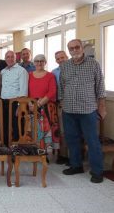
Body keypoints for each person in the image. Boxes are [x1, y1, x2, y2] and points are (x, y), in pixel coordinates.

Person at [60, 39, 106, 183]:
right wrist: (62, 102)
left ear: (82, 48)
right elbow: (62, 87)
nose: (74, 50)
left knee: (92, 141)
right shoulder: (65, 66)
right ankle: (76, 165)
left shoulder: (93, 64)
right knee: (72, 140)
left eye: (76, 47)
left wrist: (102, 107)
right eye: (71, 48)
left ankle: (97, 171)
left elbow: (100, 87)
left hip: (88, 110)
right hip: (68, 110)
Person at [28, 54, 58, 150]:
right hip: (32, 106)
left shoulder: (50, 76)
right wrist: (30, 104)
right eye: (37, 61)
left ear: (45, 63)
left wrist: (39, 104)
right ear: (34, 63)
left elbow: (52, 91)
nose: (39, 63)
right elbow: (26, 92)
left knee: (47, 130)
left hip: (46, 105)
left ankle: (46, 152)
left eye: (41, 61)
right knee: (34, 129)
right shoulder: (29, 75)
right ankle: (36, 150)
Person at [0, 51, 28, 145]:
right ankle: (6, 146)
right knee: (5, 125)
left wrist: (20, 106)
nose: (10, 59)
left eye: (12, 57)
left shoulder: (21, 71)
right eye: (8, 57)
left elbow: (23, 89)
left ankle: (18, 148)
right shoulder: (3, 71)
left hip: (16, 102)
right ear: (5, 59)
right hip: (3, 102)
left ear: (15, 58)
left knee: (17, 125)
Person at [52, 50, 69, 164]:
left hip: (74, 103)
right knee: (62, 131)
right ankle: (63, 155)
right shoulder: (54, 72)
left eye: (62, 57)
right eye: (58, 59)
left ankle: (74, 156)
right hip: (59, 104)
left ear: (66, 57)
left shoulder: (73, 69)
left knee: (73, 131)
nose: (60, 60)